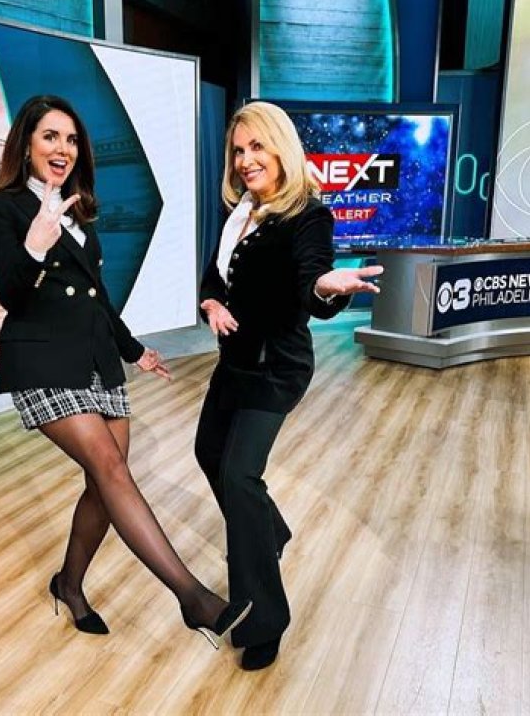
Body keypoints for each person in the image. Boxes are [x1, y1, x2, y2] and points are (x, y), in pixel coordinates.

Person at [0, 95, 251, 647]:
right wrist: (35, 245)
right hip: (43, 361)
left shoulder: (76, 209)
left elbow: (97, 296)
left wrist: (134, 350)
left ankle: (68, 585)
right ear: (26, 144)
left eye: (71, 139)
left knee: (104, 485)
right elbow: (11, 294)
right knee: (111, 468)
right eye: (50, 136)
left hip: (97, 360)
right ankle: (193, 598)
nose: (63, 149)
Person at [195, 101, 383, 670]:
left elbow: (311, 281)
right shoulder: (239, 213)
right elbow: (215, 277)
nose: (246, 160)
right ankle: (269, 530)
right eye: (238, 150)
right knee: (208, 452)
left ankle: (264, 619)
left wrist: (326, 287)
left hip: (277, 366)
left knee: (239, 475)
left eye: (257, 146)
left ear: (282, 149)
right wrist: (210, 303)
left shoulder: (307, 216)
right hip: (235, 360)